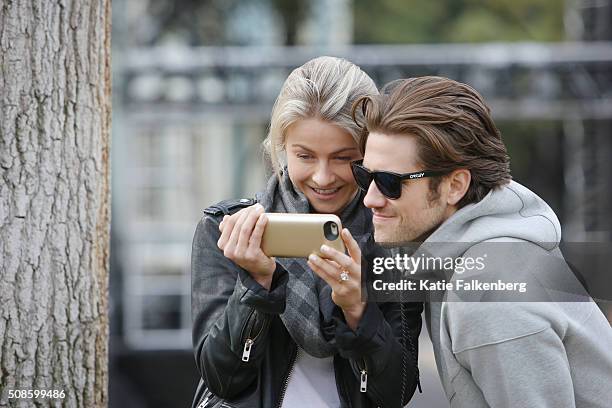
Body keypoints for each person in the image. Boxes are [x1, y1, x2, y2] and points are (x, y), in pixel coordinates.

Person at [351, 76, 612, 407]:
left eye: (389, 182)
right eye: (365, 176)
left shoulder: (488, 292)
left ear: (455, 185)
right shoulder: (487, 258)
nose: (370, 199)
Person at [191, 56, 423, 408]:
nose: (323, 177)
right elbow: (221, 378)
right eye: (305, 156)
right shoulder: (226, 231)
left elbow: (395, 392)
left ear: (370, 154)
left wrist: (359, 311)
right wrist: (256, 285)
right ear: (282, 148)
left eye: (344, 158)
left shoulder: (395, 243)